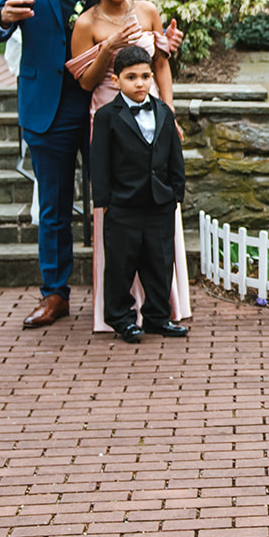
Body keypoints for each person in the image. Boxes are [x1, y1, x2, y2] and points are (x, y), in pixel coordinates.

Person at [65, 0, 192, 334]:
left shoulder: (149, 11)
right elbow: (85, 81)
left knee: (157, 219)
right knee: (119, 221)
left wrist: (168, 111)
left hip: (151, 110)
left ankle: (161, 307)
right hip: (110, 112)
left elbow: (161, 65)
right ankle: (119, 312)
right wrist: (112, 44)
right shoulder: (86, 23)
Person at [0, 0, 95, 328]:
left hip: (99, 101)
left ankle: (115, 290)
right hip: (47, 103)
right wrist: (5, 19)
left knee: (110, 201)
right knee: (53, 206)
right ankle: (55, 295)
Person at [89, 45, 188, 343]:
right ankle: (122, 319)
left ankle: (158, 316)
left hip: (160, 202)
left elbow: (174, 156)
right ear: (117, 80)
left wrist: (175, 193)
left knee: (159, 262)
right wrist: (104, 203)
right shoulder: (107, 116)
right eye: (131, 77)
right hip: (123, 205)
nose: (140, 83)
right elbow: (99, 162)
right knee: (121, 265)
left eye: (145, 76)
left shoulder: (162, 111)